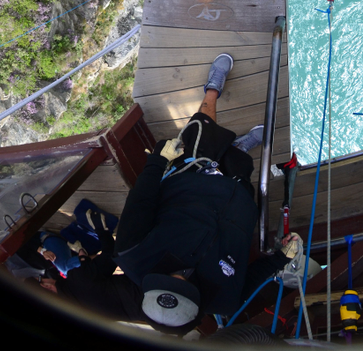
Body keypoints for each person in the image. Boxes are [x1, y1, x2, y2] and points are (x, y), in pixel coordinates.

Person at [111, 53, 299, 329]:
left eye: (165, 280)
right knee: (240, 165)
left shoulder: (130, 253)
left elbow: (141, 201)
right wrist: (281, 258)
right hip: (236, 203)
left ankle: (212, 89)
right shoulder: (225, 301)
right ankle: (238, 148)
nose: (177, 277)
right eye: (183, 286)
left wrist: (158, 161)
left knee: (202, 128)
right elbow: (250, 279)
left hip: (191, 182)